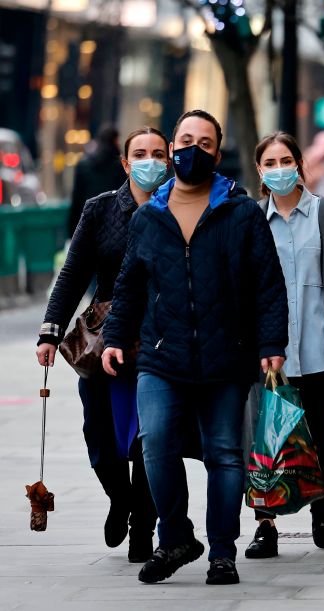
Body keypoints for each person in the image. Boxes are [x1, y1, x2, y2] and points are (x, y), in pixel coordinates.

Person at [101, 110, 288, 586]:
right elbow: (128, 287)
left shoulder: (241, 212)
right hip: (162, 358)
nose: (193, 150)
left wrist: (271, 344)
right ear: (172, 148)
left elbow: (268, 284)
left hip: (228, 356)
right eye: (185, 140)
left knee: (225, 453)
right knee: (155, 444)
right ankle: (177, 537)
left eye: (204, 143)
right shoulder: (149, 217)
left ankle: (222, 552)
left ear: (217, 155)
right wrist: (115, 338)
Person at [36, 127, 171, 563]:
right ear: (126, 163)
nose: (150, 160)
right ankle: (121, 499)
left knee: (149, 441)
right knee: (99, 436)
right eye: (140, 154)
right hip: (101, 342)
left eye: (158, 153)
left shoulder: (179, 207)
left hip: (159, 340)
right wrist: (50, 331)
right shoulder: (101, 209)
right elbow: (74, 273)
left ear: (168, 160)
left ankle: (143, 529)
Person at [243, 132, 324, 559]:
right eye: (269, 163)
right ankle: (265, 526)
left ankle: (321, 502)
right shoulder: (249, 220)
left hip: (320, 349)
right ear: (260, 171)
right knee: (265, 439)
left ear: (300, 164)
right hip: (268, 352)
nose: (278, 170)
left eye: (285, 161)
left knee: (316, 436)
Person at [68, 125, 127, 236]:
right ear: (115, 141)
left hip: (87, 222)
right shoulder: (120, 167)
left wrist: (71, 232)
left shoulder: (83, 165)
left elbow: (77, 198)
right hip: (113, 226)